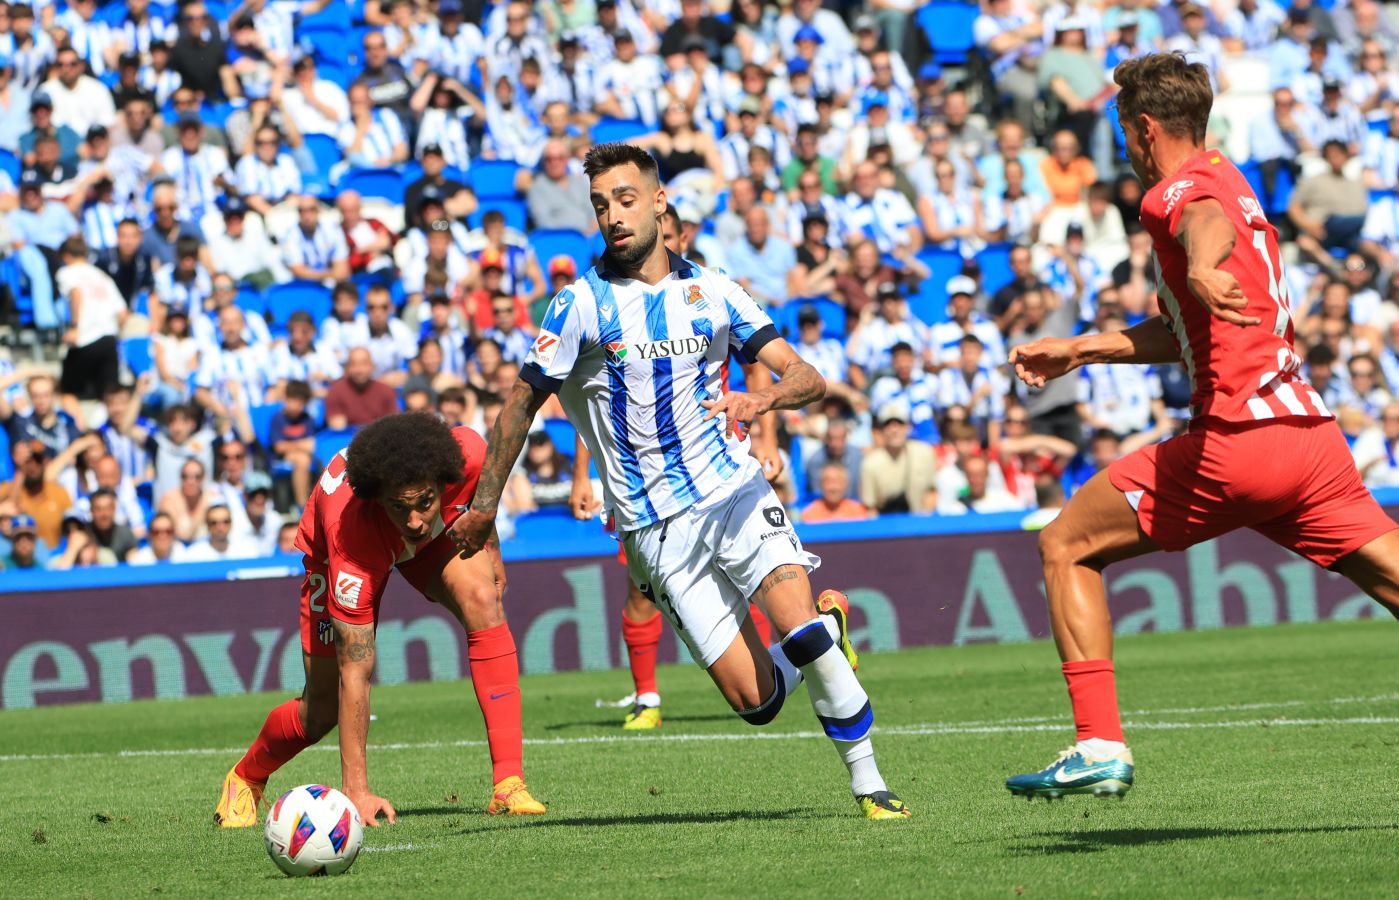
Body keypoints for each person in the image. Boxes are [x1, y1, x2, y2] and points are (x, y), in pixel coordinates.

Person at [452, 143, 908, 820]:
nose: (613, 215)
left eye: (626, 199)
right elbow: (519, 405)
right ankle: (831, 622)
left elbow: (807, 377)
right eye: (601, 204)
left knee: (800, 636)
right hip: (655, 530)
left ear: (660, 202)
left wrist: (764, 402)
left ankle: (871, 788)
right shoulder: (577, 306)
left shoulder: (715, 290)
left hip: (735, 493)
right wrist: (484, 505)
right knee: (755, 704)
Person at [1003, 53, 1399, 801]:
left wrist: (1201, 265)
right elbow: (1186, 322)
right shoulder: (1235, 179)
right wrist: (1082, 349)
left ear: (1145, 128)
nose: (1121, 140)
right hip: (1309, 440)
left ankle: (1097, 745)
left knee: (1065, 544)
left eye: (1124, 127)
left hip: (1238, 444)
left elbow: (1199, 225)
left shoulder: (1173, 192)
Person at [215, 412, 546, 828]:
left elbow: (483, 491)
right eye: (400, 506)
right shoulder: (350, 537)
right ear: (378, 498)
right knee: (320, 711)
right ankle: (246, 777)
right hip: (345, 550)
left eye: (425, 501)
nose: (414, 520)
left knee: (484, 600)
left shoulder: (469, 454)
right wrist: (356, 791)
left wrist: (491, 545)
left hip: (418, 538)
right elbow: (356, 671)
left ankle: (508, 783)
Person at [55, 236, 126, 413]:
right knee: (108, 396)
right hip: (109, 339)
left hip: (85, 338)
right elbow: (122, 312)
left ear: (66, 256)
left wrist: (74, 327)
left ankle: (79, 427)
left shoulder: (67, 272)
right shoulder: (101, 275)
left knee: (67, 391)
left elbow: (76, 293)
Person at [325, 347, 399, 430]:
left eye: (364, 364)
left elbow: (393, 425)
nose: (359, 370)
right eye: (353, 364)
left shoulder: (386, 390)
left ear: (372, 366)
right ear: (347, 368)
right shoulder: (336, 391)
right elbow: (337, 427)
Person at [801, 462, 870, 522]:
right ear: (820, 484)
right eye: (828, 482)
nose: (833, 488)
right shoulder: (809, 514)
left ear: (846, 483)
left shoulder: (858, 512)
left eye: (837, 481)